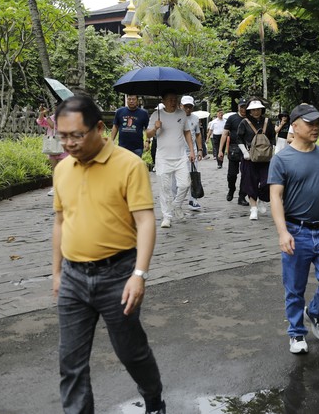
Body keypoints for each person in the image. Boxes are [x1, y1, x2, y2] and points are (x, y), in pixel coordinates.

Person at [51, 95, 165, 414]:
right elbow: (60, 221)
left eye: (77, 135)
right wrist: (57, 272)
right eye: (63, 136)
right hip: (73, 278)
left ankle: (154, 400)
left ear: (99, 128)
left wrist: (139, 275)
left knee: (131, 352)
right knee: (70, 361)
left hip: (118, 275)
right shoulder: (62, 170)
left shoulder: (129, 165)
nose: (69, 143)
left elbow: (145, 221)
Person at [269, 104, 319, 355]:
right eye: (310, 123)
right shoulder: (282, 159)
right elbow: (275, 197)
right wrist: (283, 232)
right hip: (296, 230)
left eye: (318, 123)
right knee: (294, 287)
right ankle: (296, 333)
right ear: (295, 125)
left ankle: (314, 313)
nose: (316, 127)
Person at [146, 93, 196, 229]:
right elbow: (148, 134)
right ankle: (166, 217)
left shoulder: (181, 114)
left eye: (175, 100)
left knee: (185, 184)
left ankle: (177, 205)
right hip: (163, 158)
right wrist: (156, 127)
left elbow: (187, 132)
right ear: (163, 101)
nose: (173, 102)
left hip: (180, 156)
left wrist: (191, 150)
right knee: (165, 188)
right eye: (170, 100)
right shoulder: (156, 115)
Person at [237, 99, 277, 220]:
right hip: (249, 158)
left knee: (266, 182)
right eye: (253, 110)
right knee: (250, 182)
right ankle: (253, 208)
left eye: (258, 109)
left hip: (265, 158)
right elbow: (239, 138)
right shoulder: (244, 122)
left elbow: (272, 137)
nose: (256, 112)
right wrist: (244, 152)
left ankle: (262, 199)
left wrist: (273, 151)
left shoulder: (267, 122)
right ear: (249, 111)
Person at [218, 99, 249, 206]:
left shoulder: (251, 118)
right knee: (232, 174)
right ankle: (231, 189)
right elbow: (225, 134)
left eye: (245, 107)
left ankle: (242, 196)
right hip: (234, 149)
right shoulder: (232, 118)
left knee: (246, 174)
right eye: (242, 107)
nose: (244, 109)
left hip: (248, 149)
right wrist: (220, 151)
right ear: (238, 107)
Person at [38, 104, 68, 196]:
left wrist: (47, 117)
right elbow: (40, 122)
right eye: (55, 106)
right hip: (52, 145)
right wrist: (41, 113)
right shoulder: (52, 117)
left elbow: (53, 126)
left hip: (62, 146)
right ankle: (55, 187)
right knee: (54, 168)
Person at [181, 96, 204, 211]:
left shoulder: (195, 118)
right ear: (181, 106)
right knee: (179, 178)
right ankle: (177, 200)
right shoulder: (177, 117)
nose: (188, 109)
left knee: (193, 175)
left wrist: (200, 149)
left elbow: (198, 134)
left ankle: (193, 199)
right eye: (186, 106)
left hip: (192, 151)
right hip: (179, 151)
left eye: (190, 107)